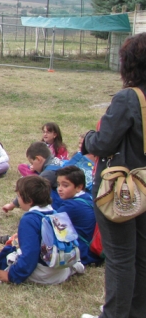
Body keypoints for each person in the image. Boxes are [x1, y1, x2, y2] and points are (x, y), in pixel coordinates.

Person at [80, 32, 146, 318]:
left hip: (120, 188)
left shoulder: (128, 98)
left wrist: (88, 138)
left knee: (120, 257)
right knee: (142, 255)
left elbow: (103, 142)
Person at [0, 176, 73, 285]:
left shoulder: (29, 219)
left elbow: (30, 254)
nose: (18, 200)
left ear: (29, 200)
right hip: (62, 270)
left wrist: (11, 275)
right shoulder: (56, 213)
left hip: (43, 274)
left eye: (19, 196)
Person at [55, 166, 102, 266]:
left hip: (83, 253)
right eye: (58, 185)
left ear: (79, 187)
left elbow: (49, 224)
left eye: (65, 185)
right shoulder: (88, 197)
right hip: (93, 250)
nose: (59, 189)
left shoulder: (71, 206)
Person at [2, 142, 63, 212]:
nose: (32, 166)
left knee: (41, 191)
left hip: (61, 202)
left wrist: (11, 205)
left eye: (32, 163)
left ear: (38, 159)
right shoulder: (54, 161)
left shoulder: (48, 173)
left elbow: (29, 190)